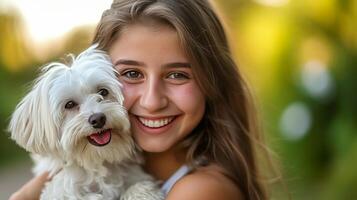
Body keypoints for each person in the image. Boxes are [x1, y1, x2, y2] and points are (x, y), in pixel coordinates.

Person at [10, 0, 277, 199]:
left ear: (211, 81)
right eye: (132, 73)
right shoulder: (70, 176)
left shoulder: (200, 191)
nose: (152, 101)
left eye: (177, 75)